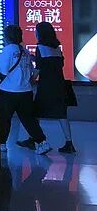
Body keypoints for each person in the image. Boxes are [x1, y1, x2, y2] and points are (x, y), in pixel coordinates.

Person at [0, 25, 49, 154]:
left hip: (8, 92)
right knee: (29, 120)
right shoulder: (24, 51)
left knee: (4, 119)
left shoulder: (7, 50)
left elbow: (3, 71)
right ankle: (42, 142)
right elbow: (31, 70)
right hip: (25, 91)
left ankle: (2, 144)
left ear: (7, 37)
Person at [33, 21, 77, 154]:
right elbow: (55, 65)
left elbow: (39, 68)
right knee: (61, 114)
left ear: (40, 33)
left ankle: (36, 139)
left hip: (46, 86)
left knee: (36, 112)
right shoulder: (57, 48)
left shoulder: (40, 48)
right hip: (60, 85)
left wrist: (30, 80)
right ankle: (69, 143)